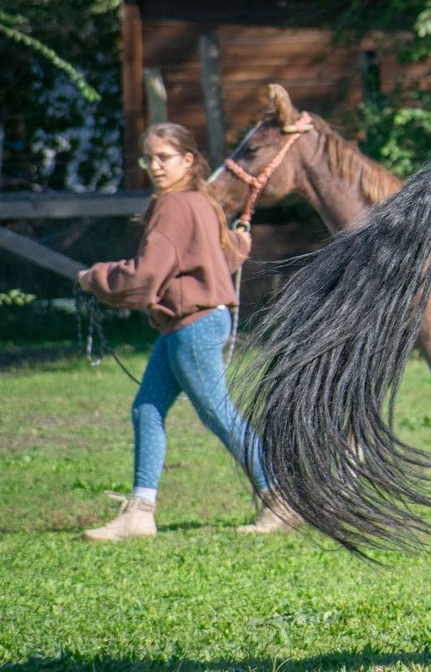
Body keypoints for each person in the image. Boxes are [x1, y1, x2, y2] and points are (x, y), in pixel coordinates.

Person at [76, 122, 297, 540]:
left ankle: (280, 498)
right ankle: (140, 513)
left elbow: (146, 277)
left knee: (219, 414)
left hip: (191, 326)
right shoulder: (201, 201)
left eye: (164, 157)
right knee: (147, 408)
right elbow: (220, 255)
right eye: (148, 159)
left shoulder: (174, 207)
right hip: (191, 322)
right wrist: (240, 244)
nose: (155, 167)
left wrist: (96, 278)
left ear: (188, 160)